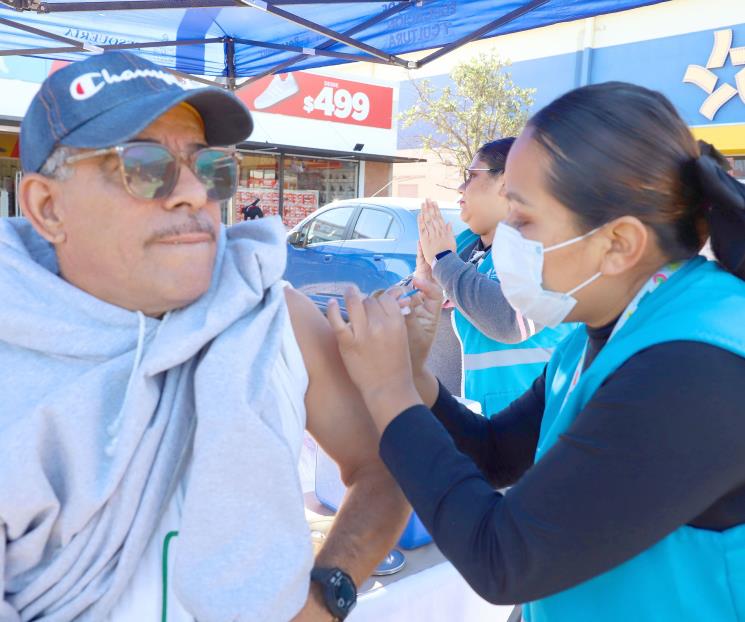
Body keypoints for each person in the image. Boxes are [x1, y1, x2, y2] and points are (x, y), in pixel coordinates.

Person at [0, 52, 409, 622]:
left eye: (211, 167)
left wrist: (327, 593)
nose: (194, 193)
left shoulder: (275, 318)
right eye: (143, 166)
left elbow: (389, 463)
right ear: (48, 208)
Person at [328, 82, 745, 621]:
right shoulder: (601, 332)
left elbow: (505, 558)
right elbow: (495, 453)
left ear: (619, 244)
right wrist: (412, 377)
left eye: (522, 220)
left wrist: (388, 391)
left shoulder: (695, 366)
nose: (507, 240)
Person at [417, 138, 575, 414]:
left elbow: (512, 321)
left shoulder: (549, 247)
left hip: (532, 426)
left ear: (507, 184)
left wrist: (443, 261)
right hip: (471, 424)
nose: (461, 188)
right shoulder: (464, 246)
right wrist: (424, 279)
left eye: (471, 176)